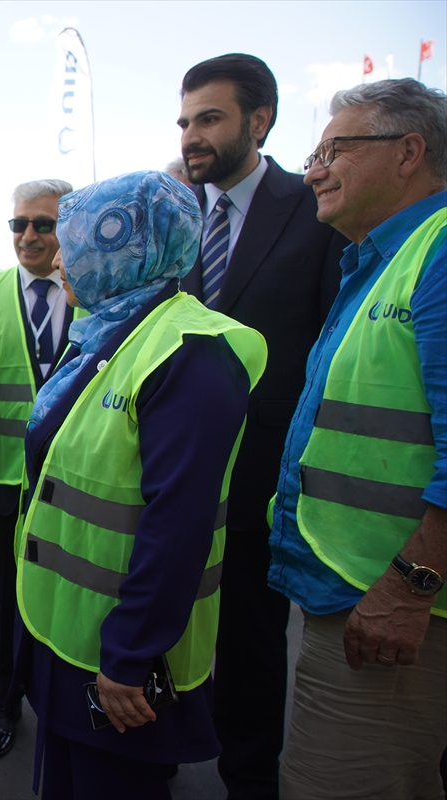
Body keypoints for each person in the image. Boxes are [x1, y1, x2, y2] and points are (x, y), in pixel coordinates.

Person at [15, 171, 265, 799]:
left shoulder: (191, 351)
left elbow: (177, 522)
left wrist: (129, 652)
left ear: (126, 249)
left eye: (74, 242)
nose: (61, 259)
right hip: (70, 634)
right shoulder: (109, 328)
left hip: (121, 659)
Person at [269, 78, 447, 800]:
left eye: (335, 148)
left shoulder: (435, 253)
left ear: (409, 152)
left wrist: (411, 586)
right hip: (357, 592)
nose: (314, 169)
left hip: (394, 605)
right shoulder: (379, 261)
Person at [175, 53, 347, 800]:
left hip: (260, 491)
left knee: (249, 655)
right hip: (173, 486)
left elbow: (327, 356)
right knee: (172, 639)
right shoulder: (176, 214)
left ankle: (249, 784)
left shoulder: (313, 212)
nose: (191, 137)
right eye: (184, 122)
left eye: (208, 118)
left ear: (260, 120)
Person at [0, 178, 77, 758]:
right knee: (7, 598)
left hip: (72, 482)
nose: (29, 235)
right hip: (3, 476)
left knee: (68, 595)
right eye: (19, 224)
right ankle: (3, 701)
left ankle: (61, 705)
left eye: (44, 223)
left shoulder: (94, 291)